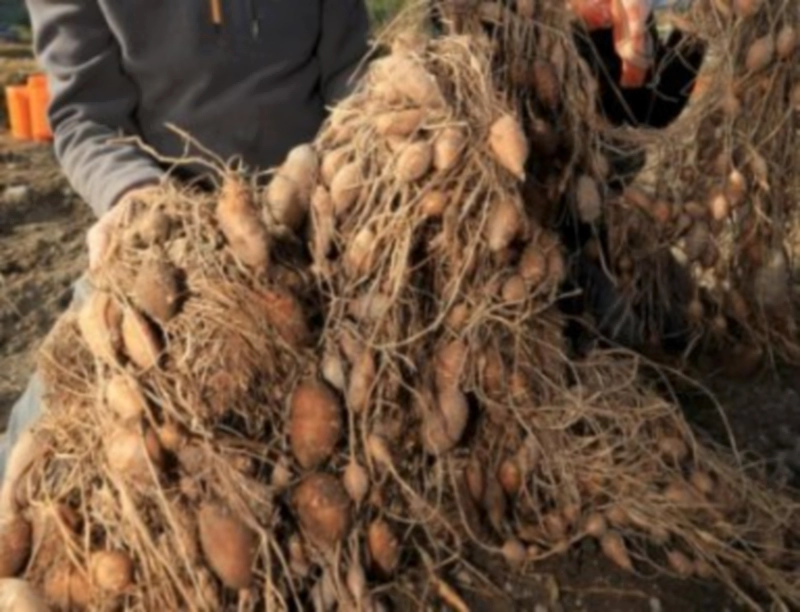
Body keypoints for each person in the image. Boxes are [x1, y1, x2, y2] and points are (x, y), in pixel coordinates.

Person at [0, 0, 371, 492]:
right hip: (170, 237)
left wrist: (362, 144)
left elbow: (349, 70)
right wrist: (134, 194)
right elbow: (86, 119)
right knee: (36, 446)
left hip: (318, 213)